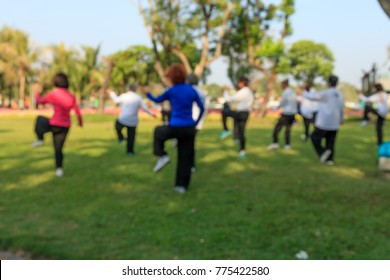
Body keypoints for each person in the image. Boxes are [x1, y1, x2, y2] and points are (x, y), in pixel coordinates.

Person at [145, 64, 204, 194]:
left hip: (175, 126)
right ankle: (181, 186)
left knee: (158, 131)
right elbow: (202, 107)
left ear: (171, 77)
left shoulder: (171, 91)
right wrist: (195, 122)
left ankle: (162, 155)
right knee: (185, 157)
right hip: (189, 128)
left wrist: (147, 93)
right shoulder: (191, 90)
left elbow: (156, 100)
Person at [32, 73, 83, 177]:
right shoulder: (71, 96)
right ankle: (59, 170)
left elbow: (39, 101)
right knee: (58, 149)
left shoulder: (54, 94)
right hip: (65, 126)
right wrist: (80, 122)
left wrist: (37, 92)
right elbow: (77, 111)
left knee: (39, 119)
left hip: (54, 124)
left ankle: (40, 139)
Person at [306, 75, 344, 165]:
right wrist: (341, 119)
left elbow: (312, 97)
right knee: (330, 141)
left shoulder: (326, 93)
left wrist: (304, 91)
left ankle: (323, 152)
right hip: (334, 122)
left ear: (329, 83)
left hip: (324, 122)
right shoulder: (340, 95)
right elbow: (341, 108)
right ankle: (330, 160)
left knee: (314, 138)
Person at [109, 84, 156, 156]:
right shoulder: (138, 97)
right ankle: (130, 152)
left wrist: (111, 93)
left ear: (128, 88)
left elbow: (116, 100)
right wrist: (151, 114)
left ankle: (121, 137)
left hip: (123, 119)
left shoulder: (124, 96)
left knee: (117, 126)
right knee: (131, 137)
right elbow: (145, 108)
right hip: (133, 121)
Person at [222, 77, 254, 158]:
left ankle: (226, 130)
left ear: (242, 83)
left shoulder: (243, 91)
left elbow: (230, 99)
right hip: (246, 113)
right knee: (241, 132)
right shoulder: (249, 92)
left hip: (240, 113)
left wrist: (225, 91)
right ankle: (242, 151)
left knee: (224, 112)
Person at [267, 79, 297, 150]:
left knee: (277, 128)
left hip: (286, 114)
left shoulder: (286, 92)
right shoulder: (292, 91)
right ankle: (287, 145)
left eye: (281, 85)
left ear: (284, 84)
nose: (281, 86)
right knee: (288, 129)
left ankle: (275, 143)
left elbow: (282, 103)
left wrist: (274, 108)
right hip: (292, 114)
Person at [187, 73, 208, 171]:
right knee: (189, 143)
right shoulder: (201, 92)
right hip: (197, 122)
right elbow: (205, 109)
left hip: (189, 121)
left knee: (188, 144)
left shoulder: (189, 91)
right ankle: (191, 165)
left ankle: (190, 165)